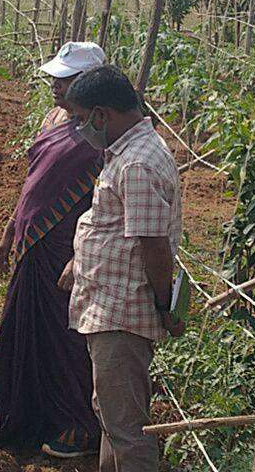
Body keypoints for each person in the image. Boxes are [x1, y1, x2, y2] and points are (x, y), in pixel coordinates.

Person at [0, 41, 106, 459]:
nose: (54, 84)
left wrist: (80, 255)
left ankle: (76, 424)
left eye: (65, 79)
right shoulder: (54, 119)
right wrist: (10, 229)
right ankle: (28, 412)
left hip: (69, 250)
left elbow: (106, 204)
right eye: (54, 77)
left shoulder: (102, 137)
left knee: (66, 340)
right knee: (24, 333)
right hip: (35, 246)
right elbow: (33, 185)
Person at [58, 65, 184, 472]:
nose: (79, 129)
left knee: (127, 430)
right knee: (112, 417)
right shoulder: (129, 153)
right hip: (110, 306)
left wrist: (166, 308)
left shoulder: (137, 165)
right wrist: (81, 260)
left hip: (123, 313)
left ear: (102, 114)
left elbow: (153, 246)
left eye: (80, 119)